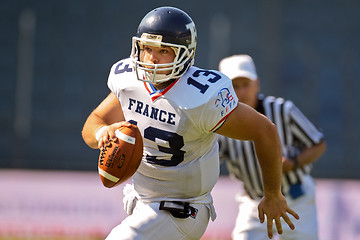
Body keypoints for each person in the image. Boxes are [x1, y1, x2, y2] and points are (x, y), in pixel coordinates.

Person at [81, 7, 299, 240]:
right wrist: (103, 132)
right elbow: (94, 122)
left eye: (164, 50)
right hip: (142, 200)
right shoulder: (129, 81)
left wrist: (273, 194)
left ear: (184, 54)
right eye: (147, 49)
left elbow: (264, 130)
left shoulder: (201, 98)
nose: (152, 58)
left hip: (183, 209)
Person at [218, 54, 326, 240]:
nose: (241, 92)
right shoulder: (219, 121)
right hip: (255, 203)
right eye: (234, 86)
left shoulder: (282, 110)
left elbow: (318, 144)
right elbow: (210, 158)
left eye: (245, 84)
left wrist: (293, 163)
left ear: (257, 84)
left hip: (295, 199)